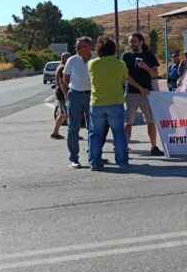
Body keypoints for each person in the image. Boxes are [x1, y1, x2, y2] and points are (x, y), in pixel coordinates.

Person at [88, 37, 137, 171]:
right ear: (114, 50)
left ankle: (95, 162)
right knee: (119, 133)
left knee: (95, 134)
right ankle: (122, 161)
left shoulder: (92, 64)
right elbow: (124, 79)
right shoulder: (120, 64)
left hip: (97, 103)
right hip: (115, 102)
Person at [121, 32, 164, 156]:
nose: (132, 44)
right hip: (131, 93)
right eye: (130, 42)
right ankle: (124, 146)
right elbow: (125, 76)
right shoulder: (126, 56)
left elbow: (155, 74)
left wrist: (145, 67)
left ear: (141, 42)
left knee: (151, 121)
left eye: (134, 41)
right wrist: (140, 88)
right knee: (128, 121)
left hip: (148, 94)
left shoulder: (149, 55)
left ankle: (154, 147)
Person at [63, 37, 93, 169]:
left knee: (94, 127)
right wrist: (68, 94)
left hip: (92, 95)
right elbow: (65, 78)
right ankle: (74, 158)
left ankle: (94, 155)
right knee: (73, 128)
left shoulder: (95, 60)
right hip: (75, 95)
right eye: (77, 47)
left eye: (81, 46)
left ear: (89, 47)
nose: (78, 49)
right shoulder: (72, 60)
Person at [50, 52, 71, 140]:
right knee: (68, 114)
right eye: (68, 58)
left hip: (60, 93)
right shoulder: (63, 68)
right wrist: (66, 94)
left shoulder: (60, 67)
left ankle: (55, 133)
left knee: (63, 114)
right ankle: (73, 134)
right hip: (62, 94)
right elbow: (62, 82)